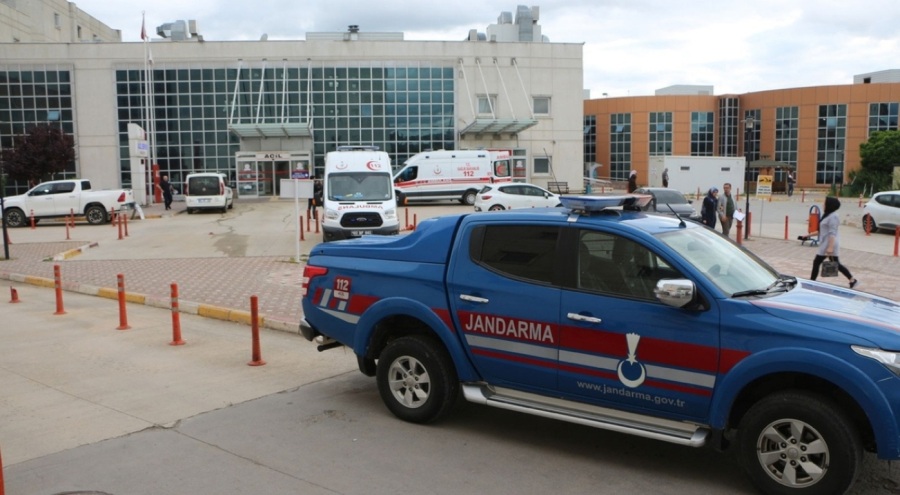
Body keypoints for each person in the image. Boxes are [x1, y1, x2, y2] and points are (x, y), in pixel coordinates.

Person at [810, 196, 858, 288]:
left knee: (817, 262)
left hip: (830, 244)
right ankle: (852, 280)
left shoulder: (834, 216)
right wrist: (807, 236)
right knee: (836, 264)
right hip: (825, 244)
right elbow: (822, 231)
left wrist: (830, 247)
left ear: (829, 205)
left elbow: (832, 233)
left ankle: (812, 282)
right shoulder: (828, 215)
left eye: (824, 203)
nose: (823, 204)